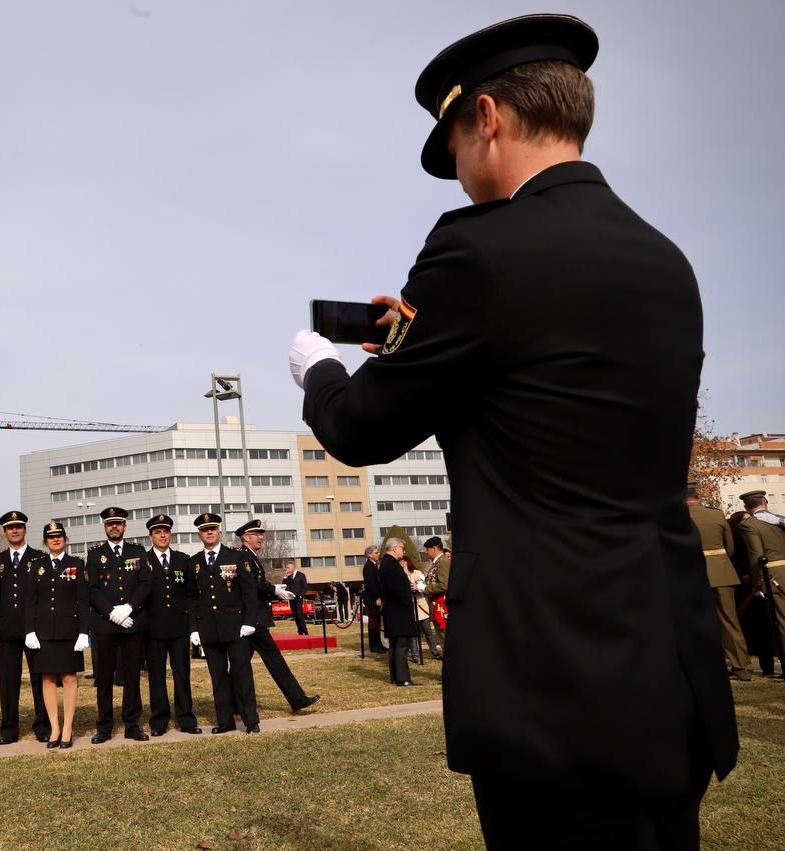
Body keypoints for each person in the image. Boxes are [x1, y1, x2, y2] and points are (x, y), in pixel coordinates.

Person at [289, 14, 736, 845]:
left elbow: (359, 427)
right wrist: (415, 339)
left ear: (487, 117)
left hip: (551, 682)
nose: (456, 173)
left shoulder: (478, 252)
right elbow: (550, 396)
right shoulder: (663, 258)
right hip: (664, 665)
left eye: (454, 145)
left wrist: (317, 367)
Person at [236, 518, 320, 713]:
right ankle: (297, 699)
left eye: (261, 534)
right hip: (252, 620)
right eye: (257, 534)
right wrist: (274, 589)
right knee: (273, 660)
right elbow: (252, 584)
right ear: (246, 537)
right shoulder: (244, 557)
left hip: (254, 619)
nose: (261, 537)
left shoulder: (251, 557)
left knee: (242, 665)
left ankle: (234, 703)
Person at [186, 513, 260, 734]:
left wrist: (249, 622)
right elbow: (192, 598)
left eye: (213, 528)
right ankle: (225, 721)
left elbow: (249, 592)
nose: (209, 532)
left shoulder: (236, 557)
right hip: (209, 629)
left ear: (219, 531)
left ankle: (250, 720)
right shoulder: (194, 563)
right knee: (217, 677)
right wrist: (193, 628)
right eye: (204, 529)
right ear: (199, 534)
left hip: (236, 627)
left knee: (241, 674)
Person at [87, 506, 152, 744]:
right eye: (110, 524)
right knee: (103, 678)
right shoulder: (94, 554)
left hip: (132, 624)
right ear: (105, 527)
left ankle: (132, 724)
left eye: (118, 523)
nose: (114, 527)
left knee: (132, 675)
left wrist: (129, 608)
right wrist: (112, 611)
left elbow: (145, 584)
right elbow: (92, 589)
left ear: (124, 526)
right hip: (105, 625)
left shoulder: (137, 551)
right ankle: (104, 726)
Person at [26, 522, 90, 749]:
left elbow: (83, 600)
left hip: (69, 632)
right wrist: (29, 630)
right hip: (43, 632)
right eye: (51, 537)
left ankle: (68, 728)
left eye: (59, 536)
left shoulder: (76, 564)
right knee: (48, 679)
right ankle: (54, 727)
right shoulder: (37, 566)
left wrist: (84, 632)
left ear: (65, 538)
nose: (55, 540)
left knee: (70, 678)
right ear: (45, 541)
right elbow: (30, 601)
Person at [0, 510, 50, 744]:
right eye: (10, 527)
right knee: (9, 681)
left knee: (40, 678)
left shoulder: (39, 559)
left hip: (34, 631)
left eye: (18, 526)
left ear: (25, 530)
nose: (14, 530)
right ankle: (9, 728)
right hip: (7, 631)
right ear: (5, 532)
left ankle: (43, 725)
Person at [143, 514, 200, 736]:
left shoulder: (182, 560)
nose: (163, 535)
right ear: (151, 536)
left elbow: (190, 595)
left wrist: (192, 626)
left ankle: (186, 719)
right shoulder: (143, 561)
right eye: (158, 532)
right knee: (156, 676)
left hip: (178, 627)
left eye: (166, 531)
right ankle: (159, 721)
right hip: (153, 629)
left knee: (182, 675)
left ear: (170, 534)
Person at [687, 485, 751, 681]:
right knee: (730, 622)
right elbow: (729, 547)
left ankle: (702, 666)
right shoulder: (716, 515)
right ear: (699, 494)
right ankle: (741, 667)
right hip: (722, 572)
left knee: (694, 622)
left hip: (690, 575)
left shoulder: (674, 517)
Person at [740, 490, 785, 668]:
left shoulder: (749, 525)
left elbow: (756, 556)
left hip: (773, 575)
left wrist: (757, 583)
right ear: (765, 501)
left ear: (746, 507)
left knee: (782, 620)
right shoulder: (780, 519)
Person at [378, 540, 415, 686]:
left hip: (393, 610)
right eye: (402, 548)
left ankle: (396, 676)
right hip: (398, 610)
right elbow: (397, 588)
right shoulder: (391, 565)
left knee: (395, 645)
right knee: (401, 645)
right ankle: (403, 678)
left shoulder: (386, 563)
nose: (404, 551)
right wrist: (407, 599)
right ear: (395, 548)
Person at [404, 556, 442, 662]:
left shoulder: (417, 572)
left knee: (427, 631)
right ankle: (415, 655)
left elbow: (423, 586)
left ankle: (434, 651)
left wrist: (417, 587)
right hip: (410, 608)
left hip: (421, 606)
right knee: (413, 634)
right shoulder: (400, 574)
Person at [423, 536, 451, 635]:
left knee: (444, 638)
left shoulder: (443, 562)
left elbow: (445, 585)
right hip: (436, 604)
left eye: (427, 549)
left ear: (434, 548)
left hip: (442, 606)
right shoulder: (437, 562)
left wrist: (425, 588)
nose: (426, 552)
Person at [360, 546, 386, 653]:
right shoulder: (369, 567)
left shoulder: (374, 565)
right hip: (372, 599)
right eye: (376, 552)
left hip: (374, 597)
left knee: (376, 622)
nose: (378, 554)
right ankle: (374, 645)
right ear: (369, 554)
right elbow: (371, 584)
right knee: (373, 622)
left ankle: (377, 643)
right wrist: (377, 597)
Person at [281, 562, 308, 634]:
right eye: (287, 568)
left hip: (298, 597)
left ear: (293, 567)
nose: (287, 569)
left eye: (288, 567)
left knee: (299, 614)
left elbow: (305, 586)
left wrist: (301, 595)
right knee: (295, 615)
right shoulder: (289, 577)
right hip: (291, 598)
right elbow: (284, 585)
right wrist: (286, 576)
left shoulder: (301, 575)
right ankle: (300, 631)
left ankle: (305, 631)